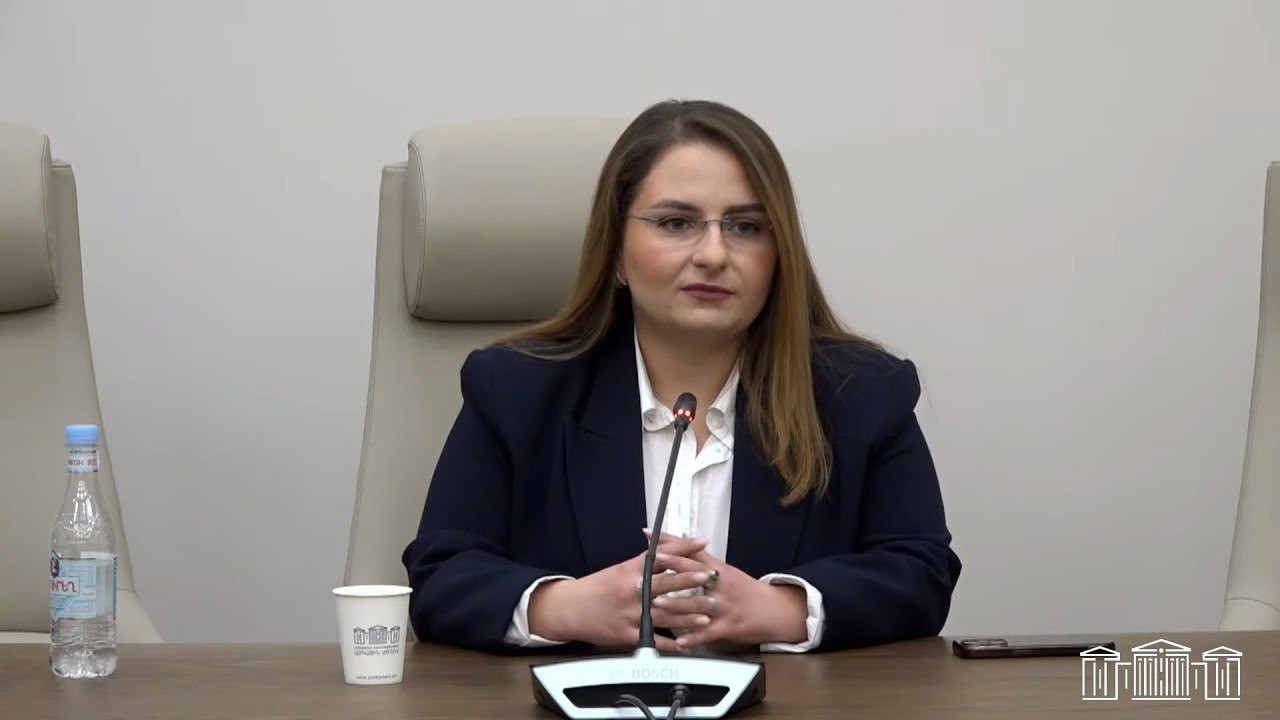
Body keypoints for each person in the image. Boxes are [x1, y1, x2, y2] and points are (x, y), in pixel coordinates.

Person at [402, 99, 961, 655]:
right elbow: (441, 575)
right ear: (615, 251)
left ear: (779, 255)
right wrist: (569, 606)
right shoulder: (517, 390)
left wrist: (780, 609)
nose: (713, 254)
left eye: (746, 227)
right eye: (676, 223)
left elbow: (921, 571)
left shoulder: (860, 394)